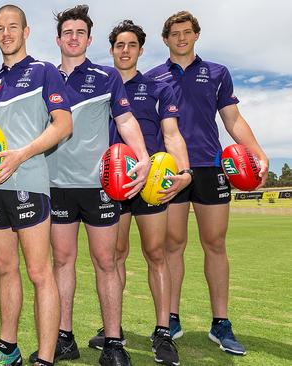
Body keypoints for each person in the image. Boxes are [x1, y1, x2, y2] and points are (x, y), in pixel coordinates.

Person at [145, 10, 268, 356]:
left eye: (187, 32)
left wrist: (257, 152)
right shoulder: (153, 77)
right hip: (169, 170)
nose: (181, 38)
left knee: (215, 242)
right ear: (166, 39)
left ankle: (221, 323)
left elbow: (233, 119)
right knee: (173, 244)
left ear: (196, 35)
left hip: (211, 167)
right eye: (175, 34)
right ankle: (169, 319)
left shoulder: (217, 73)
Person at [39, 5, 150, 366]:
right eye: (67, 32)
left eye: (79, 32)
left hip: (99, 185)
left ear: (88, 39)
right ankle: (64, 336)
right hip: (56, 185)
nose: (73, 37)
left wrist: (144, 157)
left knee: (106, 261)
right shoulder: (45, 78)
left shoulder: (106, 77)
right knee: (62, 262)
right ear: (58, 39)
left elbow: (127, 119)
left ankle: (114, 342)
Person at [0, 5, 72, 366]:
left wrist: (21, 154)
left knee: (40, 272)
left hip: (29, 183)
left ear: (26, 31)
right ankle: (8, 349)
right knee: (4, 267)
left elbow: (62, 125)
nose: (6, 33)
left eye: (12, 26)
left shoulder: (45, 72)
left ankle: (44, 358)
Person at [104, 19, 192, 366]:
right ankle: (114, 331)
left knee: (156, 253)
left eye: (131, 45)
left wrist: (183, 171)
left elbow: (171, 134)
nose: (125, 50)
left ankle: (163, 331)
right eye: (119, 45)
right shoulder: (101, 86)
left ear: (140, 50)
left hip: (151, 184)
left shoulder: (157, 87)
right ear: (111, 50)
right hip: (114, 182)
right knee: (115, 256)